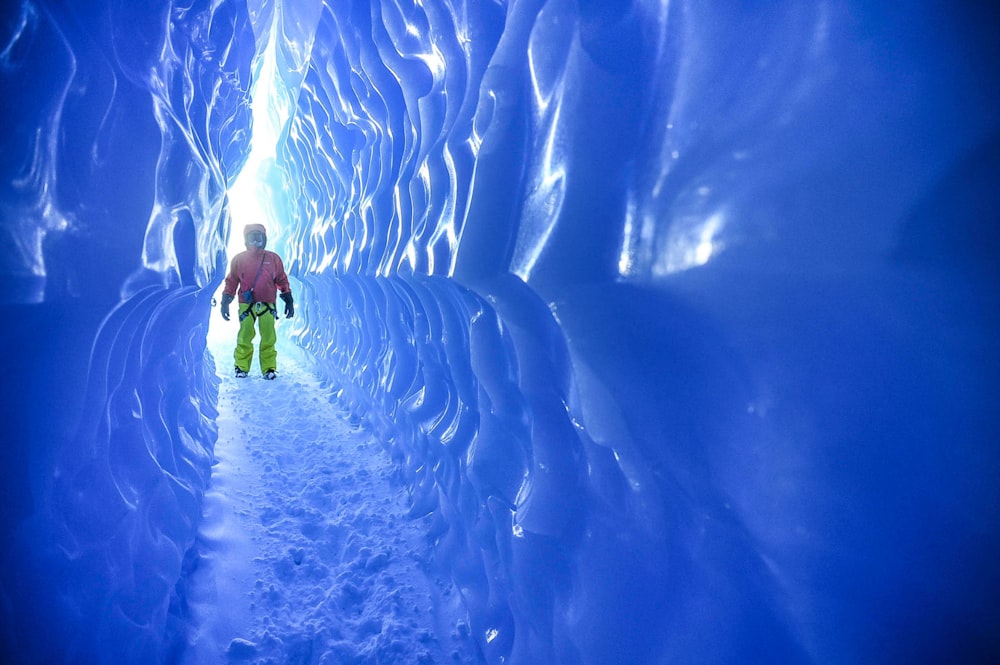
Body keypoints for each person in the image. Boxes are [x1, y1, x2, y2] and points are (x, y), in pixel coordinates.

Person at [219, 223, 294, 379]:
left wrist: (288, 297)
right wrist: (226, 300)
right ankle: (241, 367)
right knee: (245, 336)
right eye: (252, 238)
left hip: (267, 303)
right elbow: (232, 281)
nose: (255, 242)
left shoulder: (273, 259)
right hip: (246, 305)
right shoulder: (239, 259)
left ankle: (269, 368)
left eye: (258, 238)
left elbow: (281, 278)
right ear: (246, 240)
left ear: (264, 239)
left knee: (268, 336)